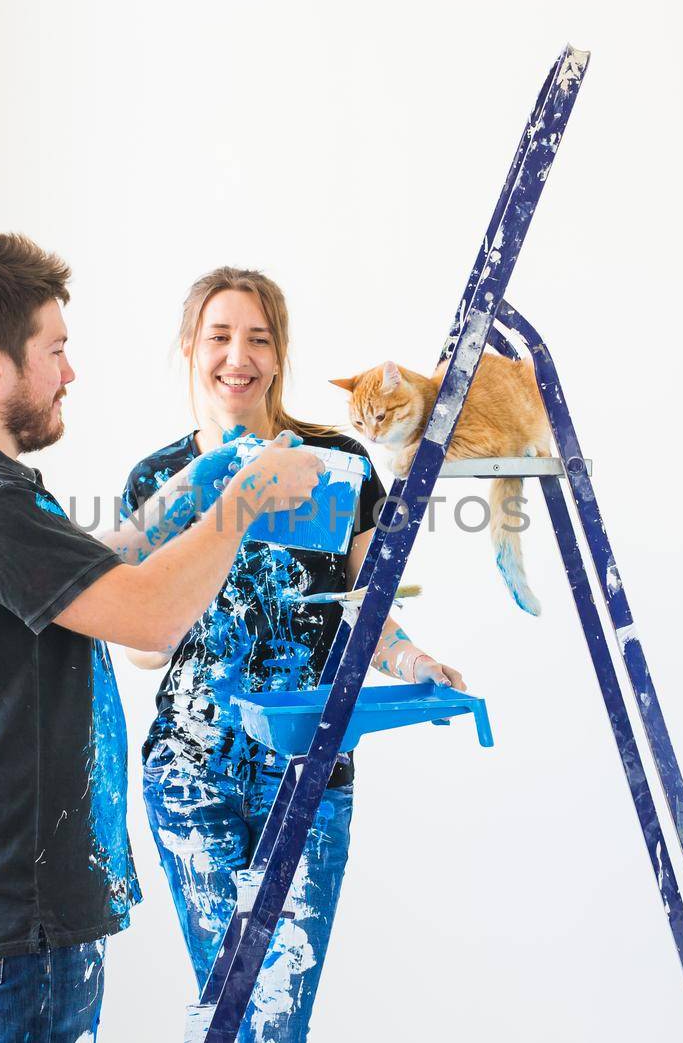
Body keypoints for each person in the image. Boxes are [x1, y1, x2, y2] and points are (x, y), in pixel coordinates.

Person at [0, 235, 322, 1043]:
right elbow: (147, 614)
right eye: (55, 351)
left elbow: (104, 563)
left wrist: (192, 486)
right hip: (20, 909)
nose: (69, 373)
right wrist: (248, 499)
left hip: (28, 901)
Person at [119, 268, 468, 1041]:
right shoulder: (160, 480)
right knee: (226, 1009)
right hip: (188, 774)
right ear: (189, 348)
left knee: (276, 1018)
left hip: (306, 773)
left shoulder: (338, 463)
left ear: (280, 356)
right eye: (218, 336)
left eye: (258, 337)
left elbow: (369, 614)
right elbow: (142, 647)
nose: (237, 355)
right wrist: (197, 555)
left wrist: (417, 666)